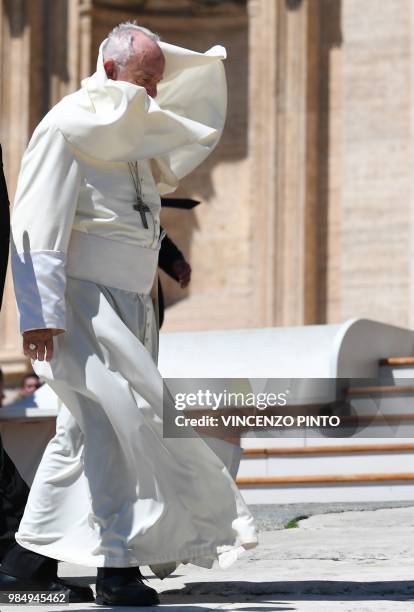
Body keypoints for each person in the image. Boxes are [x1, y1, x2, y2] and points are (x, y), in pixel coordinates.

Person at [4, 22, 257, 606]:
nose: (153, 94)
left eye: (158, 83)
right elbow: (36, 220)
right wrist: (38, 314)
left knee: (83, 431)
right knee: (125, 423)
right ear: (111, 70)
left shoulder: (131, 132)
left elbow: (136, 214)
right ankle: (118, 565)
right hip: (83, 306)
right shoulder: (68, 125)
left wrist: (165, 254)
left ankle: (27, 562)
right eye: (145, 80)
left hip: (133, 306)